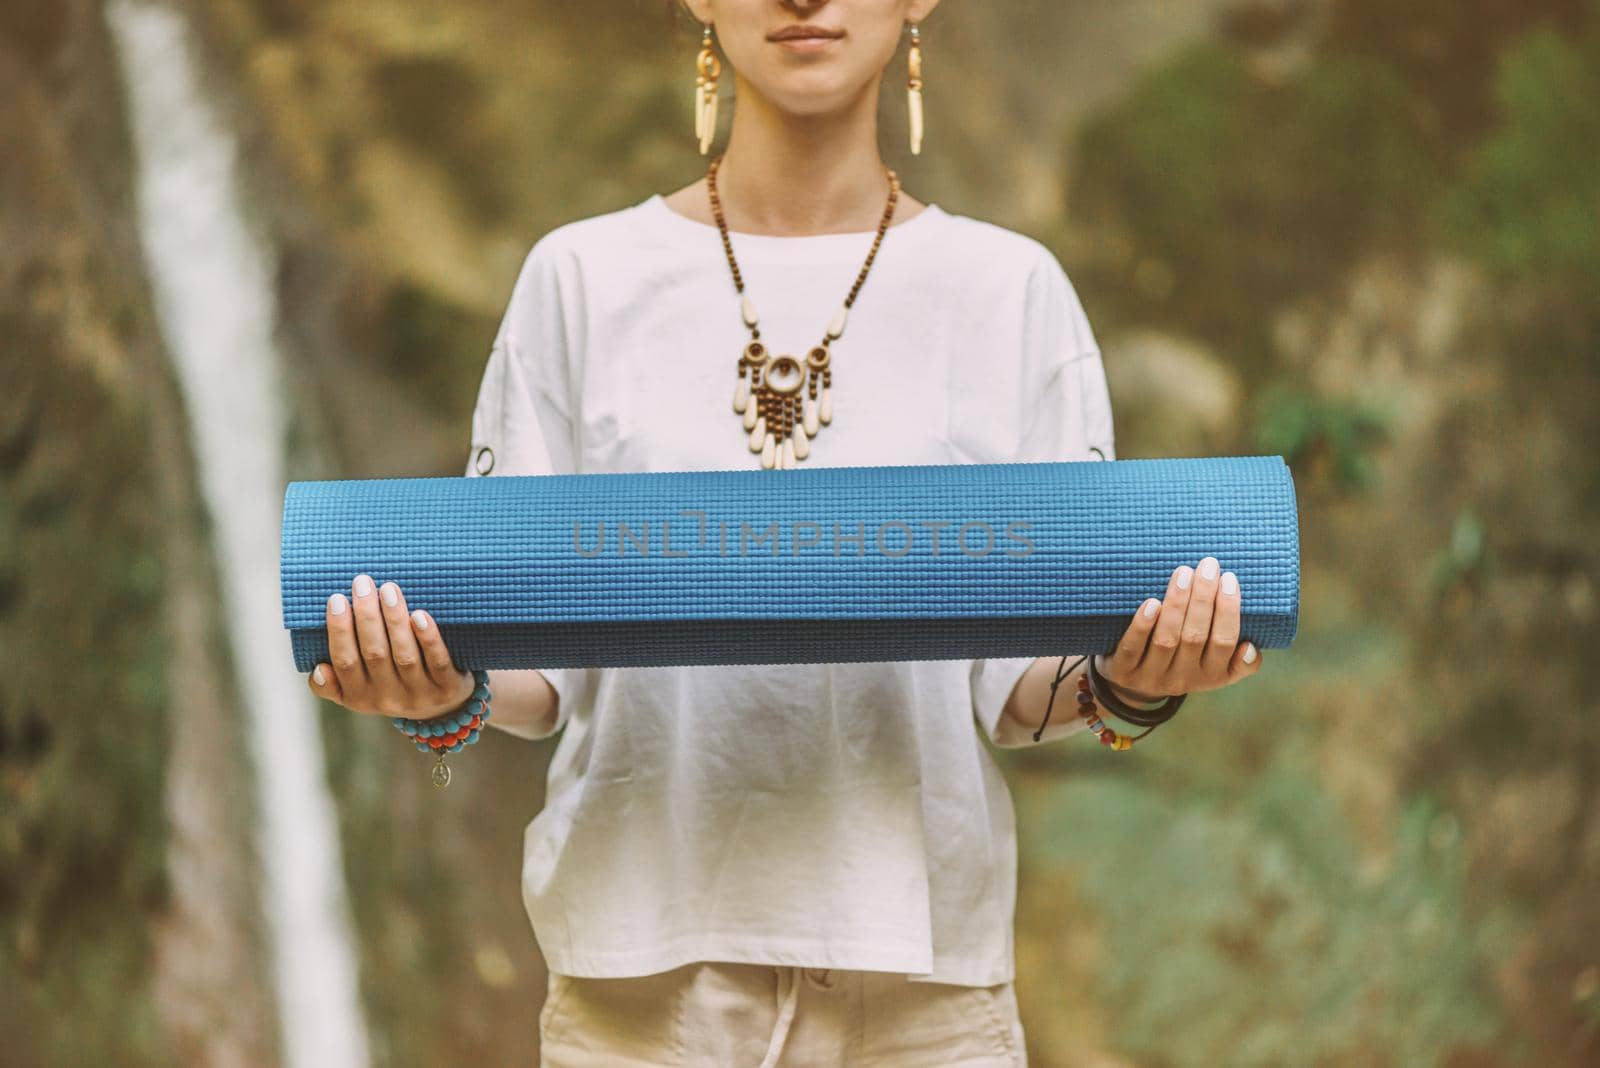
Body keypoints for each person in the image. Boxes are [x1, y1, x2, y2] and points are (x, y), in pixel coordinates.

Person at [307, 1, 1265, 1064]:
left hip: (924, 1000)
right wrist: (445, 692)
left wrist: (1135, 682)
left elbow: (1017, 692)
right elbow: (538, 670)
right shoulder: (580, 282)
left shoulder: (1009, 294)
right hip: (637, 1000)